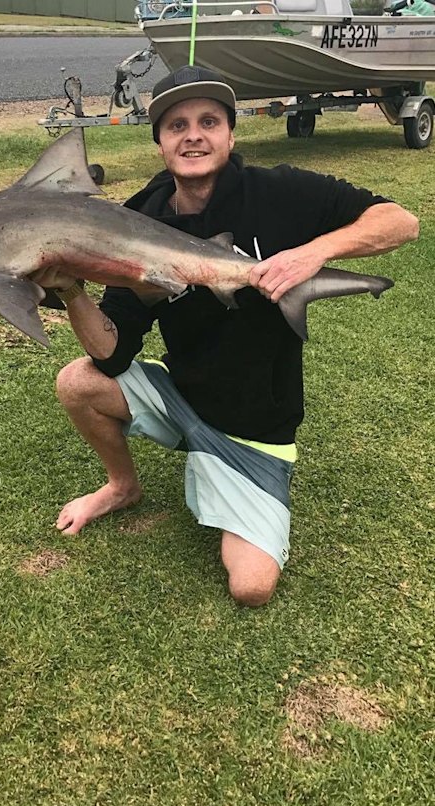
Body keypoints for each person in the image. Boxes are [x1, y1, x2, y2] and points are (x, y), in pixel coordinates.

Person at [48, 65, 418, 607]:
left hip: (255, 426)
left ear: (230, 134)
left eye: (208, 121)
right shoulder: (138, 220)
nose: (193, 134)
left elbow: (400, 221)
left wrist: (311, 253)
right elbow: (113, 352)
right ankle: (122, 487)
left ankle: (231, 471)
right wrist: (72, 293)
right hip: (183, 397)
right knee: (77, 382)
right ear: (160, 144)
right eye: (176, 125)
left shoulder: (281, 192)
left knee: (251, 588)